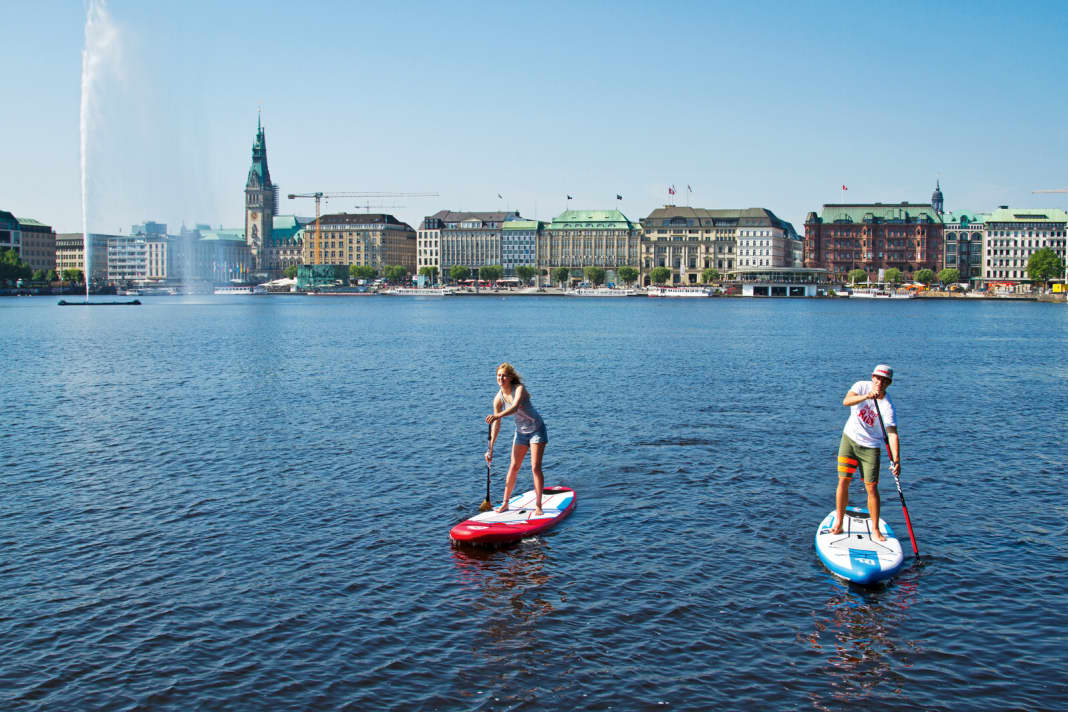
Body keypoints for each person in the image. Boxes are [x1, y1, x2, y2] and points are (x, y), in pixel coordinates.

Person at [831, 364, 900, 542]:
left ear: (888, 383)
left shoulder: (887, 406)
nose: (880, 382)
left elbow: (892, 434)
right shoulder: (861, 386)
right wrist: (867, 396)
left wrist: (897, 460)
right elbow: (846, 401)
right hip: (849, 440)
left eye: (884, 380)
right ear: (872, 377)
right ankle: (839, 521)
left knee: (871, 487)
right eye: (877, 378)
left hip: (870, 448)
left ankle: (875, 529)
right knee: (844, 480)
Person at [485, 362, 548, 515]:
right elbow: (496, 425)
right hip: (521, 433)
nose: (501, 378)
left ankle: (538, 505)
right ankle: (505, 503)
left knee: (535, 467)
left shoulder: (519, 389)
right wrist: (490, 448)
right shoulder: (498, 399)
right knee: (513, 466)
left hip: (536, 430)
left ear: (510, 377)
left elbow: (514, 407)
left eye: (504, 375)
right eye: (498, 376)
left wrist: (497, 415)